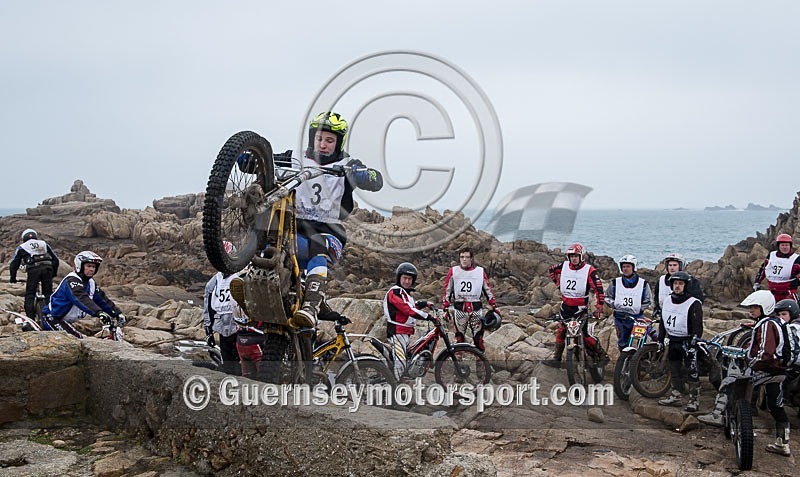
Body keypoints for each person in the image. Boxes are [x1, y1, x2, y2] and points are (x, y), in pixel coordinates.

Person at [287, 111, 384, 329]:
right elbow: (265, 162)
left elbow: (377, 180)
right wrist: (247, 158)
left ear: (338, 143)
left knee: (318, 244)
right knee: (269, 238)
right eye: (319, 139)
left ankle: (311, 306)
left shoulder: (348, 163)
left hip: (330, 233)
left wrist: (362, 175)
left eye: (329, 141)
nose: (323, 145)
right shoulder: (295, 157)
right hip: (296, 231)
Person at [699, 295, 795, 456]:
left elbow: (766, 352)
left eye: (755, 307)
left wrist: (750, 363)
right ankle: (783, 442)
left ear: (765, 308)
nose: (752, 310)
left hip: (766, 369)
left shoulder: (766, 325)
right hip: (780, 371)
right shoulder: (777, 322)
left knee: (732, 381)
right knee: (776, 406)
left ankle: (718, 415)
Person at [544, 243, 609, 368]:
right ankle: (556, 359)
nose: (573, 258)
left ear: (582, 256)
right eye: (571, 256)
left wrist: (599, 305)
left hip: (581, 308)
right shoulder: (563, 266)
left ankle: (602, 355)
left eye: (576, 256)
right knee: (561, 331)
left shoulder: (589, 270)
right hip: (565, 306)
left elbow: (598, 289)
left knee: (584, 334)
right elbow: (552, 270)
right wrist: (558, 283)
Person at [41, 251, 125, 339]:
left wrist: (117, 313)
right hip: (52, 318)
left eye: (93, 267)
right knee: (76, 340)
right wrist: (98, 312)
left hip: (65, 321)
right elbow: (80, 298)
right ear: (79, 265)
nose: (92, 269)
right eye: (88, 266)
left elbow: (103, 300)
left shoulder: (91, 283)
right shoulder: (72, 280)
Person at [657, 271, 704, 411]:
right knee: (674, 369)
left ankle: (694, 400)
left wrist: (693, 343)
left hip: (687, 342)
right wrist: (660, 339)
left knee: (692, 371)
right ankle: (676, 395)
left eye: (680, 284)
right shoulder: (667, 300)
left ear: (686, 285)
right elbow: (662, 321)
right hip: (673, 341)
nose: (677, 286)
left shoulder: (693, 303)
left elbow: (698, 326)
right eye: (675, 284)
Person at [441, 248, 501, 351]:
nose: (464, 259)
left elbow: (488, 289)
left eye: (467, 257)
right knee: (459, 338)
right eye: (462, 257)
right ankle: (459, 362)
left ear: (471, 259)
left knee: (478, 339)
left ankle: (481, 362)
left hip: (476, 309)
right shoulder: (453, 271)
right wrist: (445, 308)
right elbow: (447, 290)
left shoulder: (480, 272)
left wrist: (494, 305)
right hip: (460, 309)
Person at [383, 262, 434, 381]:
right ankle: (395, 390)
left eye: (409, 279)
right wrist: (428, 317)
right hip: (397, 332)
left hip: (405, 332)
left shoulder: (405, 293)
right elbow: (407, 310)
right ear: (399, 278)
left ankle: (400, 384)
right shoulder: (395, 291)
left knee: (406, 359)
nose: (407, 281)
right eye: (404, 278)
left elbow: (410, 305)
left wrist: (423, 304)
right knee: (400, 363)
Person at [203, 242, 244, 374]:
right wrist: (208, 330)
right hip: (223, 327)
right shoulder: (214, 281)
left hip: (240, 325)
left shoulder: (242, 275)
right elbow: (207, 304)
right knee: (228, 365)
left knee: (242, 364)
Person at [604, 255, 653, 351]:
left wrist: (639, 308)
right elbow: (607, 297)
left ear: (633, 267)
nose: (625, 269)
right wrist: (615, 304)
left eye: (628, 266)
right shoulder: (615, 283)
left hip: (637, 317)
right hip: (620, 318)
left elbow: (648, 300)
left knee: (641, 341)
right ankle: (624, 361)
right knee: (622, 343)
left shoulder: (643, 284)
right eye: (623, 267)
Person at [9, 228, 60, 319]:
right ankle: (52, 317)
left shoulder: (22, 247)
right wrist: (53, 273)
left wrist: (13, 278)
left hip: (34, 270)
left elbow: (14, 263)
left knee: (30, 295)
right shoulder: (44, 243)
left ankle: (30, 318)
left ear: (24, 237)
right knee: (48, 294)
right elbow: (55, 259)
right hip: (47, 268)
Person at [652, 252, 704, 318]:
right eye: (670, 265)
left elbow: (699, 300)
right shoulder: (661, 280)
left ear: (680, 266)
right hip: (664, 315)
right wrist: (657, 308)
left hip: (683, 317)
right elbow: (657, 297)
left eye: (674, 265)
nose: (672, 268)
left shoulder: (690, 281)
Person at [753, 233, 800, 303]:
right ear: (778, 246)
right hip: (772, 294)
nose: (784, 247)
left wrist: (796, 282)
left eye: (787, 245)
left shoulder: (796, 259)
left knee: (794, 312)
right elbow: (763, 269)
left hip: (789, 294)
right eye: (782, 245)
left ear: (790, 246)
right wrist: (757, 282)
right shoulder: (771, 256)